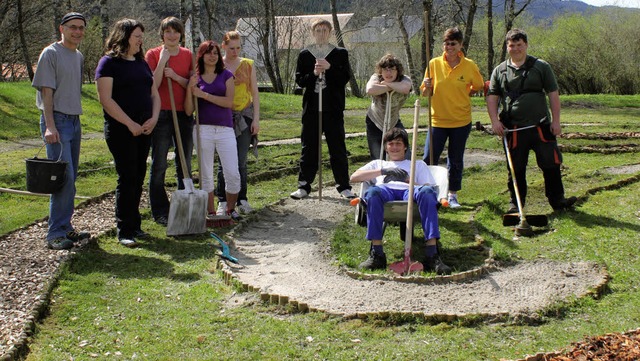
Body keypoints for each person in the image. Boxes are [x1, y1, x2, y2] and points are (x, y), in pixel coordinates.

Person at [486, 28, 576, 213]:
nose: (516, 49)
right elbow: (492, 97)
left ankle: (558, 201)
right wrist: (495, 121)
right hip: (514, 129)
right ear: (507, 46)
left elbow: (553, 94)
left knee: (551, 164)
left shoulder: (541, 66)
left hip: (541, 126)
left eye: (520, 45)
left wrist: (556, 121)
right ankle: (516, 203)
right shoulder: (500, 71)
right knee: (515, 168)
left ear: (526, 45)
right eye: (512, 45)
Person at [350, 128, 452, 275]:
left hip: (410, 191)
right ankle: (377, 254)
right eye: (391, 143)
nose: (395, 147)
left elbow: (429, 188)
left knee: (428, 193)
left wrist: (409, 181)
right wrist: (384, 172)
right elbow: (354, 177)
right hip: (385, 190)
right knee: (372, 192)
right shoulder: (378, 164)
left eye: (398, 143)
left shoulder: (417, 165)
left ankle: (432, 254)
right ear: (385, 147)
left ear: (405, 146)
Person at [96, 19, 161, 247]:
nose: (140, 41)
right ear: (123, 37)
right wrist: (129, 123)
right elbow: (106, 99)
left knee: (139, 174)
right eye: (136, 37)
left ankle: (135, 225)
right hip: (121, 130)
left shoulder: (142, 63)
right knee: (127, 176)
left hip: (144, 127)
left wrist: (154, 118)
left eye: (141, 37)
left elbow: (154, 94)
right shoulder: (108, 63)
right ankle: (124, 229)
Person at [32, 12, 91, 250]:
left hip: (74, 121)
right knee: (62, 178)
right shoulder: (51, 53)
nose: (77, 32)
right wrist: (49, 126)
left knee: (71, 178)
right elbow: (47, 92)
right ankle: (54, 233)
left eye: (81, 28)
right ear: (62, 29)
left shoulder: (77, 56)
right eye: (72, 27)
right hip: (56, 120)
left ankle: (66, 227)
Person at [290, 19, 355, 200]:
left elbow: (344, 78)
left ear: (330, 32)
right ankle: (304, 186)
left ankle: (343, 186)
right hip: (311, 108)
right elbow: (300, 80)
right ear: (313, 32)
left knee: (337, 148)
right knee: (309, 147)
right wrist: (314, 74)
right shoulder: (305, 54)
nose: (321, 33)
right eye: (317, 30)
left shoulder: (340, 53)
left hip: (333, 108)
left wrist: (330, 68)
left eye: (324, 30)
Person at [420, 27, 484, 209]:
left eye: (453, 44)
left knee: (455, 159)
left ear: (460, 45)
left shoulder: (469, 65)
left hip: (460, 121)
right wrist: (426, 86)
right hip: (437, 120)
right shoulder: (433, 63)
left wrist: (467, 92)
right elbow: (425, 92)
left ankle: (452, 194)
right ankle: (428, 192)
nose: (449, 47)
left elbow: (478, 85)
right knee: (429, 157)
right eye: (446, 43)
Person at [145, 17, 194, 226]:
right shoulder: (153, 54)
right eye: (168, 32)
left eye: (175, 32)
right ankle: (160, 211)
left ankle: (184, 205)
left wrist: (174, 76)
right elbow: (152, 86)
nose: (172, 35)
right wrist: (163, 61)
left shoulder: (188, 55)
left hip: (183, 112)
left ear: (181, 34)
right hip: (161, 113)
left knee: (184, 162)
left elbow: (191, 85)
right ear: (162, 34)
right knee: (160, 163)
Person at [184, 40, 241, 220]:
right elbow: (188, 110)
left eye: (215, 53)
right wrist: (189, 89)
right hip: (202, 129)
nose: (212, 56)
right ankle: (210, 213)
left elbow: (228, 103)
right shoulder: (195, 77)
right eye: (208, 52)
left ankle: (230, 210)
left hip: (225, 129)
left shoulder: (227, 75)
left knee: (232, 172)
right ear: (201, 55)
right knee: (206, 173)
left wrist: (204, 95)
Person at [215, 30, 260, 215]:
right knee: (223, 162)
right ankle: (222, 200)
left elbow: (255, 94)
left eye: (238, 48)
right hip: (224, 116)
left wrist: (256, 119)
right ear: (223, 46)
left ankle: (242, 198)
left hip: (244, 115)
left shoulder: (248, 65)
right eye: (231, 48)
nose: (235, 51)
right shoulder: (217, 65)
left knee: (241, 160)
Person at [364, 54, 412, 160]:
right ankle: (379, 176)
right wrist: (392, 86)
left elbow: (405, 88)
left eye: (392, 69)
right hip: (374, 121)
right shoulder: (376, 77)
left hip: (393, 121)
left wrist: (386, 85)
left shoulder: (404, 79)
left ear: (397, 71)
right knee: (378, 156)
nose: (388, 73)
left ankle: (404, 174)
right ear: (380, 71)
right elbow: (370, 89)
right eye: (385, 69)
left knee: (405, 154)